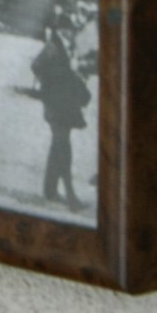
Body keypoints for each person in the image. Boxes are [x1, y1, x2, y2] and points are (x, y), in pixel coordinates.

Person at [32, 16, 91, 207]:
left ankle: (50, 191)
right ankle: (70, 196)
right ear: (63, 30)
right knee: (63, 149)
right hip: (56, 106)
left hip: (62, 105)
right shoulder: (53, 46)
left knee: (58, 148)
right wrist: (51, 86)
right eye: (71, 29)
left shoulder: (63, 46)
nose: (73, 33)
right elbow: (36, 66)